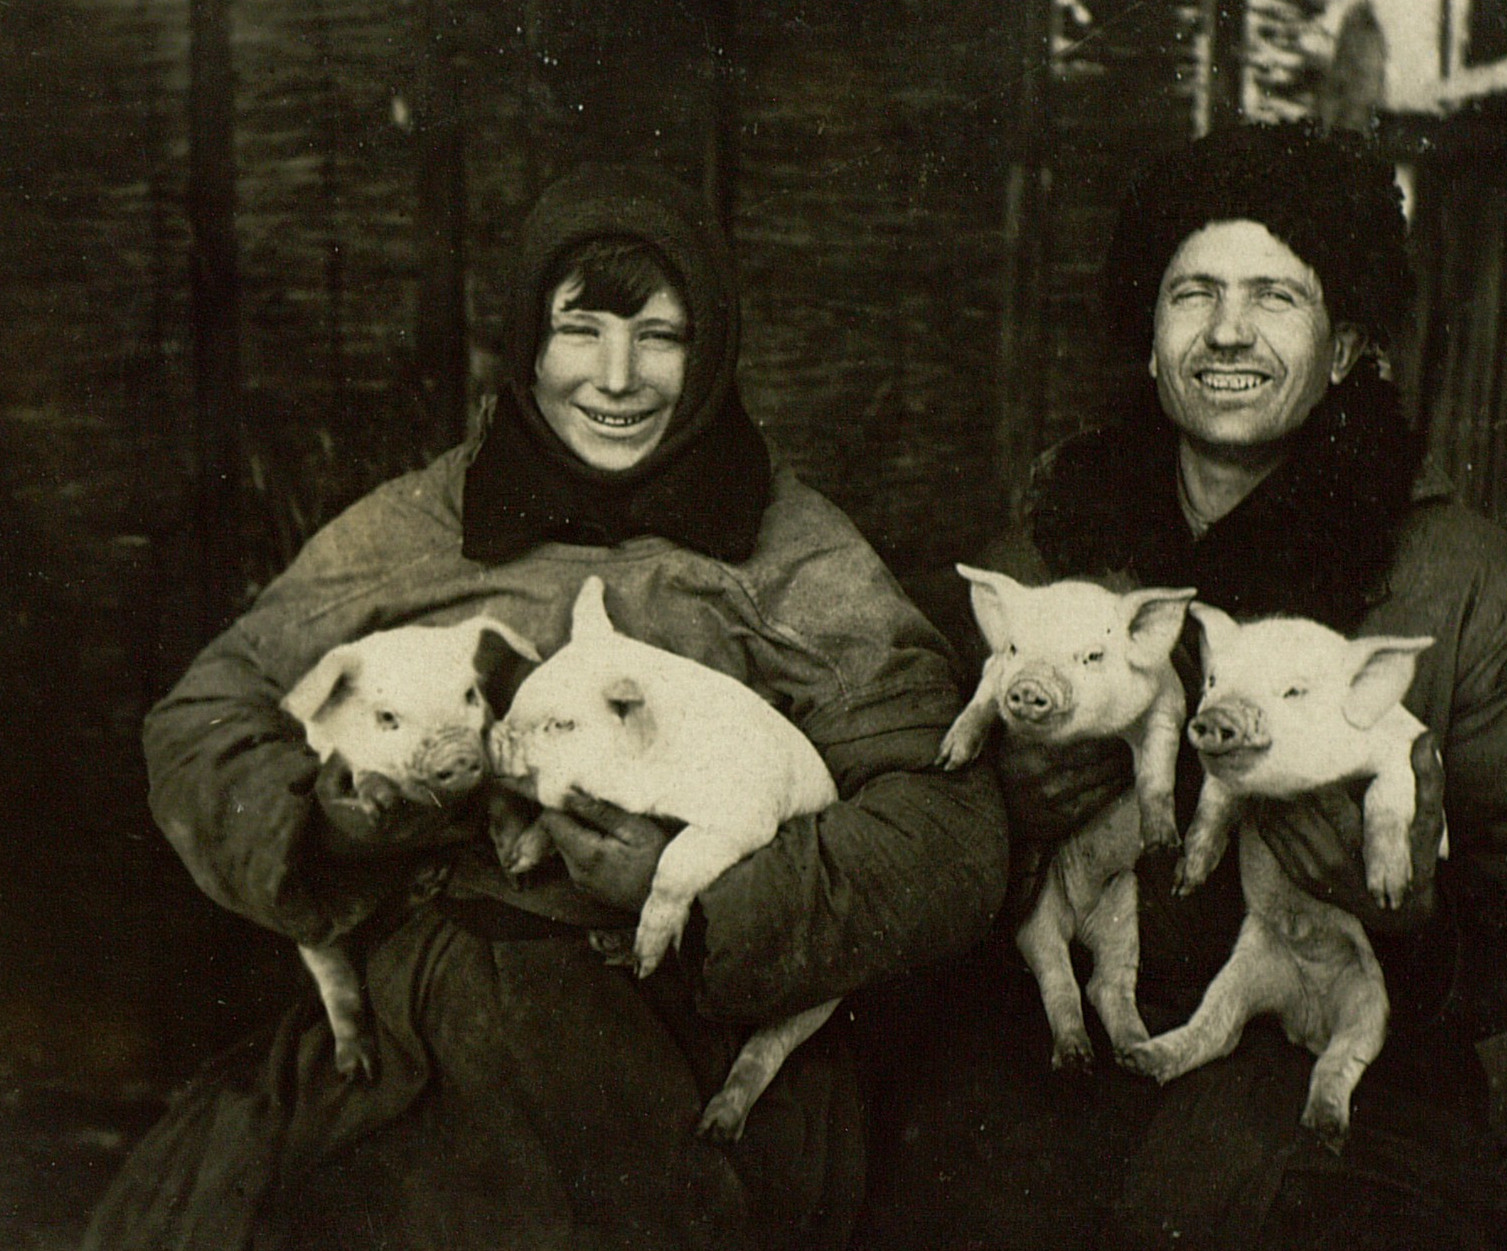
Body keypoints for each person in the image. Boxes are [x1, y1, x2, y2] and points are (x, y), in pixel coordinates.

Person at [85, 163, 1008, 1251]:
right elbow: (199, 719)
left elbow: (949, 828)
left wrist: (701, 898)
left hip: (675, 1037)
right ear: (528, 340)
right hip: (419, 1021)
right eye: (582, 329)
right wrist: (322, 823)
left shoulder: (794, 552)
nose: (617, 378)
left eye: (660, 337)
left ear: (712, 350)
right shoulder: (425, 520)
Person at [856, 121, 1507, 1250]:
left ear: (1347, 344)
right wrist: (1006, 816)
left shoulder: (1467, 582)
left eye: (1276, 296)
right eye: (1193, 294)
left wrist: (1414, 913)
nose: (1226, 331)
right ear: (1149, 340)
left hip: (1342, 1068)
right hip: (1066, 1053)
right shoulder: (1051, 556)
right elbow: (910, 811)